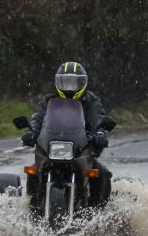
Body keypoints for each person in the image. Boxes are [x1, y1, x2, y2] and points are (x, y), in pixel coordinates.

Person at [22, 62, 113, 207]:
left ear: (83, 82)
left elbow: (98, 118)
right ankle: (33, 205)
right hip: (51, 150)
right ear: (58, 82)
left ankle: (97, 213)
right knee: (33, 171)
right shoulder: (48, 100)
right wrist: (31, 131)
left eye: (74, 82)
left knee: (102, 174)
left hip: (80, 150)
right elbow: (38, 118)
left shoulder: (90, 100)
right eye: (66, 82)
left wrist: (100, 132)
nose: (70, 87)